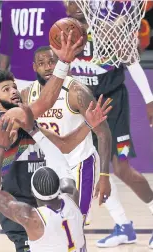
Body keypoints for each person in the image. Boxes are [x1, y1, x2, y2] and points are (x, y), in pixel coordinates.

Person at [0, 31, 112, 252]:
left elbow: (64, 145)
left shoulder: (27, 124)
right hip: (19, 209)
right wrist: (62, 64)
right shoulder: (6, 121)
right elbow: (45, 102)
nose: (14, 91)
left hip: (43, 203)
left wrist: (88, 125)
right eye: (6, 90)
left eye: (14, 86)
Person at [65, 1, 153, 248]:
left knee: (122, 168)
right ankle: (123, 226)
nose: (75, 4)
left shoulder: (106, 30)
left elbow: (132, 63)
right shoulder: (63, 31)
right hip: (84, 106)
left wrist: (150, 100)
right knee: (93, 170)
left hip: (113, 104)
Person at [22, 45, 112, 223]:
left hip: (79, 163)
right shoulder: (27, 94)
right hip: (49, 166)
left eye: (52, 62)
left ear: (61, 64)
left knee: (76, 224)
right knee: (51, 225)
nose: (48, 67)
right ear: (34, 67)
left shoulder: (77, 92)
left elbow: (104, 133)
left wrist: (104, 176)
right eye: (42, 63)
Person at [0, 114, 88, 252]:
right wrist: (35, 132)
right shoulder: (72, 197)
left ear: (33, 192)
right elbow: (60, 162)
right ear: (59, 187)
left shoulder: (32, 218)